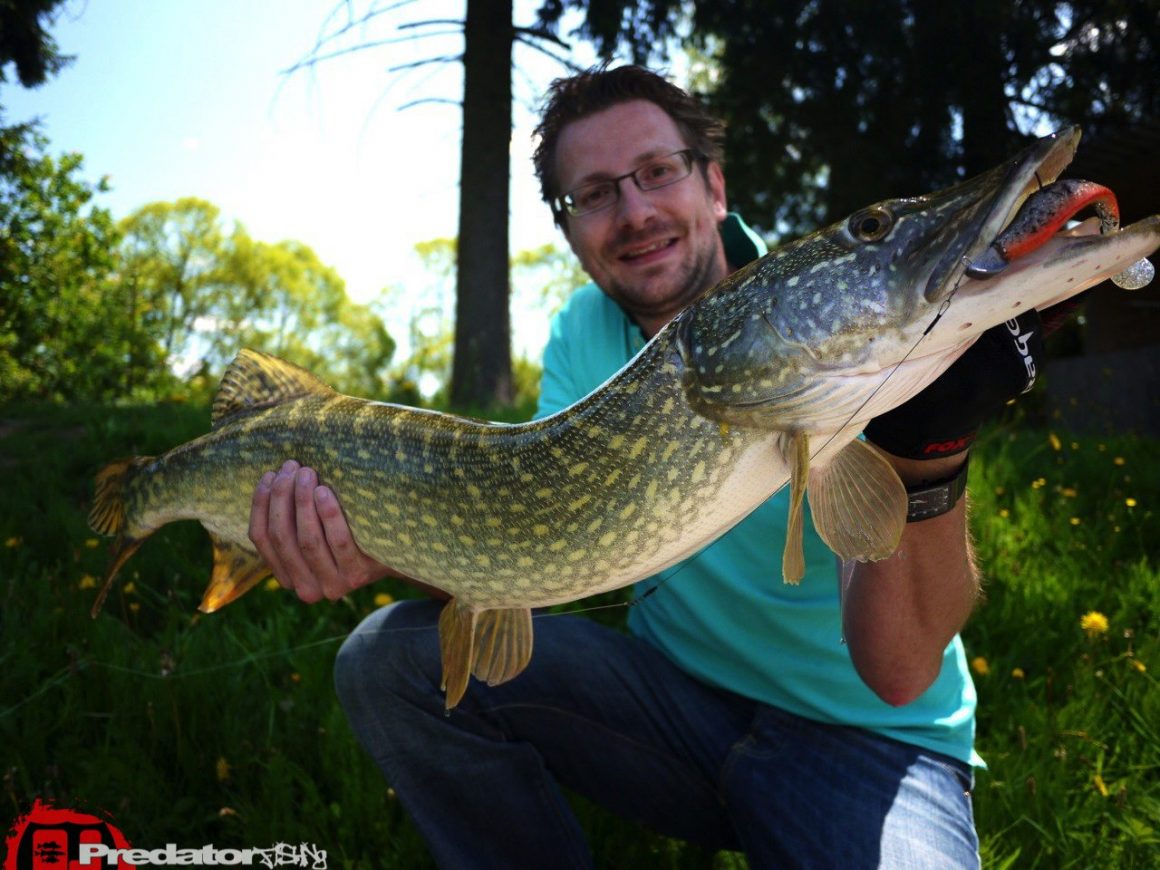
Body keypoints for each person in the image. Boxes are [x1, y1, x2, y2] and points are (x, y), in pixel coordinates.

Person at [249, 66, 1045, 868]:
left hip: (868, 749)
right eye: (593, 194)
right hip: (670, 711)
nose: (634, 212)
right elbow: (526, 543)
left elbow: (899, 672)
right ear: (568, 229)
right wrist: (375, 538)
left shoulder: (832, 324)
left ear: (715, 187)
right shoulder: (582, 331)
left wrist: (928, 448)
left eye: (658, 172)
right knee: (385, 659)